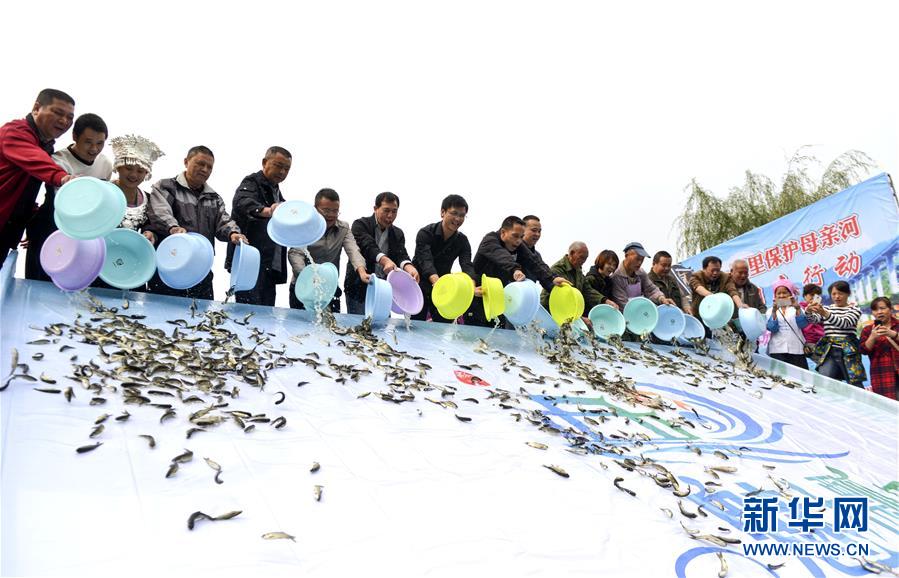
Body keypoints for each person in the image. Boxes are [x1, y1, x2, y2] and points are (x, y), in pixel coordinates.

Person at [145, 145, 247, 300]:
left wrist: (233, 233)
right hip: (169, 266)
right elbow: (160, 212)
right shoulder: (166, 187)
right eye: (200, 164)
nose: (205, 169)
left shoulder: (214, 198)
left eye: (209, 167)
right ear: (186, 162)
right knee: (161, 310)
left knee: (203, 313)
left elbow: (223, 220)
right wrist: (173, 228)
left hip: (201, 269)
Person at [25, 113, 114, 281]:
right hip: (51, 229)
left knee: (76, 283)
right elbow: (66, 205)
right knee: (40, 282)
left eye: (100, 143)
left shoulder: (105, 164)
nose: (94, 149)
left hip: (84, 234)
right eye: (88, 142)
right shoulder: (58, 161)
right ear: (75, 137)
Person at [0, 89, 76, 264]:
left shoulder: (45, 146)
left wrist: (30, 220)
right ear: (36, 108)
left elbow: (23, 189)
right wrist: (64, 178)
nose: (64, 121)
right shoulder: (15, 132)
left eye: (70, 117)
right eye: (58, 113)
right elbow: (36, 160)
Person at [467, 215, 567, 327]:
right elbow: (502, 256)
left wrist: (552, 278)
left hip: (498, 304)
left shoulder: (518, 245)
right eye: (515, 236)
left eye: (521, 237)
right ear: (503, 232)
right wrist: (515, 270)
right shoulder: (490, 240)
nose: (519, 241)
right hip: (476, 299)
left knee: (497, 335)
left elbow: (534, 261)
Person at [226, 146, 291, 306]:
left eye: (286, 168)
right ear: (264, 162)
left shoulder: (278, 194)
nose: (282, 172)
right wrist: (267, 211)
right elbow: (242, 203)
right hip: (250, 262)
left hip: (271, 266)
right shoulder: (251, 182)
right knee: (248, 313)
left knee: (267, 314)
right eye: (278, 165)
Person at [288, 188, 368, 312]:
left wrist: (362, 271)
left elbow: (353, 251)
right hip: (302, 287)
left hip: (329, 289)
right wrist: (308, 277)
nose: (331, 215)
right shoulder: (304, 227)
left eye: (335, 211)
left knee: (332, 323)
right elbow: (295, 254)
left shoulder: (343, 228)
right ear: (315, 209)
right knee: (300, 324)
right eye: (326, 210)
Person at [345, 192, 419, 314]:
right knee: (358, 324)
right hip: (359, 288)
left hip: (383, 291)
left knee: (384, 324)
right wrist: (385, 260)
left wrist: (409, 267)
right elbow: (368, 246)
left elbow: (401, 254)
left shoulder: (398, 233)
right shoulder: (360, 225)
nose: (390, 216)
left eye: (394, 211)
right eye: (386, 210)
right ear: (375, 208)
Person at [412, 194, 475, 322]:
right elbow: (426, 261)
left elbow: (467, 264)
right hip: (419, 284)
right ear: (442, 212)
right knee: (414, 324)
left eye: (462, 215)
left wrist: (471, 284)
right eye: (454, 213)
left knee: (443, 326)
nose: (458, 219)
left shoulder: (462, 240)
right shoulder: (425, 233)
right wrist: (436, 281)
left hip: (444, 287)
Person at [804, 280, 866, 387]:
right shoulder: (827, 308)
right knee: (824, 383)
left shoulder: (855, 310)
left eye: (840, 293)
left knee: (855, 384)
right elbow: (813, 320)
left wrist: (825, 313)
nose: (837, 296)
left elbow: (844, 323)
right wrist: (808, 311)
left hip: (849, 352)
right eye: (833, 294)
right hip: (829, 351)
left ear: (848, 294)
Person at [539, 242, 608, 322]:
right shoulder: (558, 269)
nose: (583, 261)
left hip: (566, 314)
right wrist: (579, 318)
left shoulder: (578, 270)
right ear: (572, 253)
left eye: (585, 258)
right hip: (549, 312)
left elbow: (587, 290)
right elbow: (563, 298)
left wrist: (604, 300)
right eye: (581, 257)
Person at [609, 242, 676, 310]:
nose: (640, 263)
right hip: (626, 312)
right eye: (637, 259)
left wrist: (661, 298)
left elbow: (651, 290)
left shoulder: (641, 273)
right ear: (626, 255)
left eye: (642, 259)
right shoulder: (616, 276)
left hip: (640, 310)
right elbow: (623, 303)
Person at [859, 297, 898, 400]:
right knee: (888, 406)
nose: (879, 312)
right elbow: (863, 350)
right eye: (875, 309)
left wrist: (893, 334)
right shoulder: (867, 330)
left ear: (890, 309)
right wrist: (872, 337)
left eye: (882, 308)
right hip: (882, 376)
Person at [765, 279, 809, 370]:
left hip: (796, 349)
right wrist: (774, 312)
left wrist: (798, 309)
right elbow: (772, 328)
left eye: (785, 293)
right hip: (777, 349)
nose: (782, 295)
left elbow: (803, 325)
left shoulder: (797, 308)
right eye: (779, 293)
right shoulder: (770, 311)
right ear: (775, 295)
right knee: (780, 376)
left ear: (790, 294)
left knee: (800, 375)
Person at [648, 250, 690, 314]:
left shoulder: (672, 279)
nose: (667, 268)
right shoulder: (647, 281)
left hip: (677, 316)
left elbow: (682, 297)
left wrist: (687, 307)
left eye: (669, 265)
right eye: (664, 265)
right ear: (654, 264)